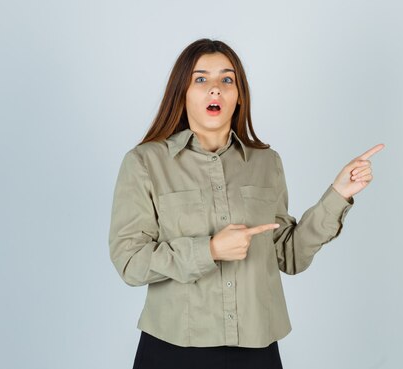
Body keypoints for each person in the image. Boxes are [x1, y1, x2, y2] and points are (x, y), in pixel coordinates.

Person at [108, 38, 384, 369]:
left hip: (256, 349)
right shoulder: (145, 163)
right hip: (173, 348)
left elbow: (288, 255)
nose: (215, 89)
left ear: (239, 97)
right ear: (182, 93)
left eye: (227, 79)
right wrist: (209, 249)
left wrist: (338, 194)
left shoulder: (266, 162)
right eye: (201, 79)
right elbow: (130, 261)